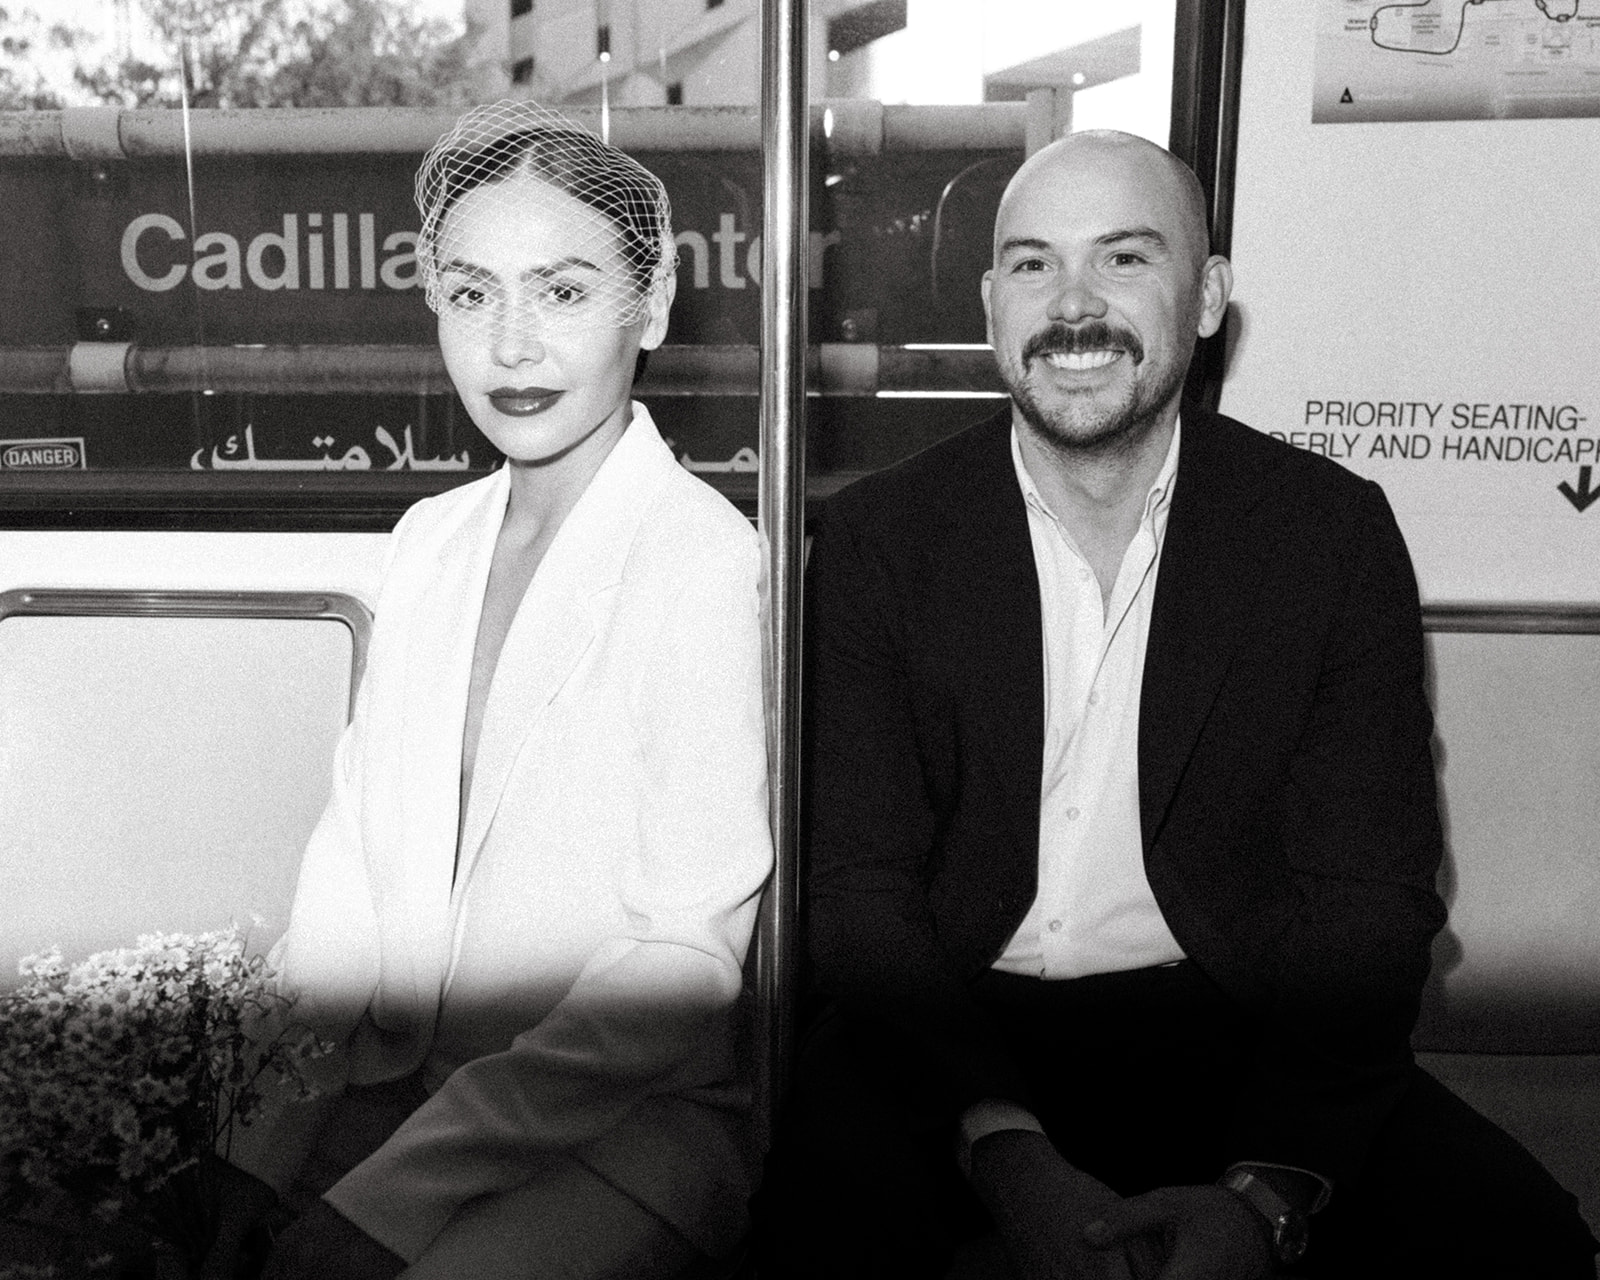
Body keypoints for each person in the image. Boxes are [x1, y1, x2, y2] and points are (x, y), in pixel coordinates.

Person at [761, 131, 1599, 1279]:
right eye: (1030, 265)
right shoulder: (878, 540)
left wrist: (1262, 1198)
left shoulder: (1325, 536)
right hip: (948, 1034)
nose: (1070, 307)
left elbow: (1369, 904)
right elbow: (860, 899)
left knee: (1523, 1244)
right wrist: (1007, 1156)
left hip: (1234, 1029)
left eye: (1121, 260)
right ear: (988, 303)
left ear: (1205, 298)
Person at [203, 101, 772, 1280]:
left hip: (624, 1133)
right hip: (409, 1097)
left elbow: (680, 962)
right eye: (471, 294)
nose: (510, 346)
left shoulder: (705, 561)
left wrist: (382, 1202)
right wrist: (257, 1148)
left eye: (561, 291)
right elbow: (348, 878)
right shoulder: (428, 538)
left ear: (652, 305)